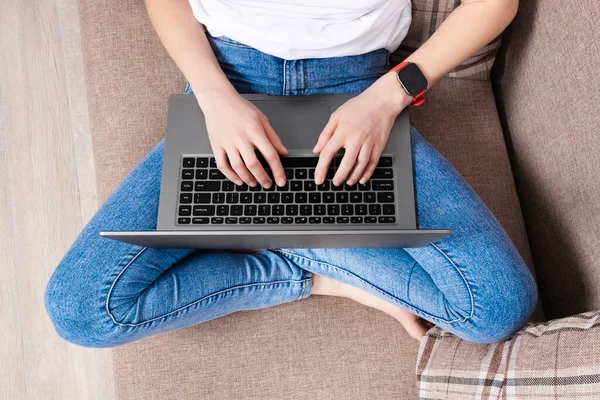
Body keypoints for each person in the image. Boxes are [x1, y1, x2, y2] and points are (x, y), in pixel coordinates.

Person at [44, 0, 537, 348]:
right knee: (80, 309)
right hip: (232, 81)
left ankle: (266, 231)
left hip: (361, 90)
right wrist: (215, 99)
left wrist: (389, 97)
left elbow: (494, 3)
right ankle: (323, 276)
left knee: (497, 307)